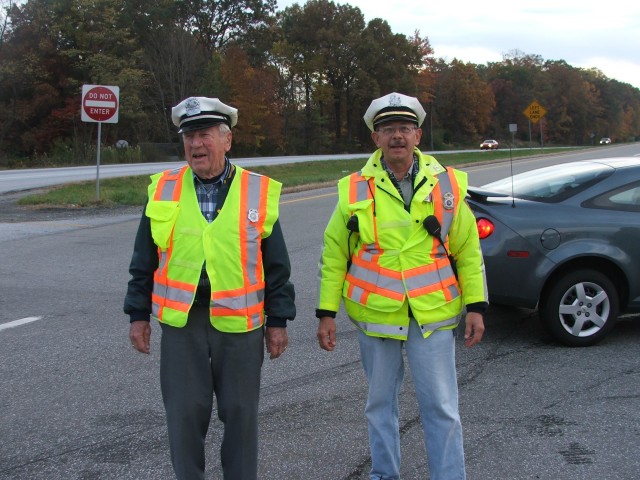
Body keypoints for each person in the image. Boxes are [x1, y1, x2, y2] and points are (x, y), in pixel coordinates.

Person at [316, 92, 487, 480]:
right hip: (376, 314)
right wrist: (325, 313)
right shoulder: (354, 188)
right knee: (379, 405)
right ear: (375, 138)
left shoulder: (448, 186)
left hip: (432, 314)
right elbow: (334, 254)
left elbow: (467, 248)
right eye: (388, 129)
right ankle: (383, 475)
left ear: (418, 134)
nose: (397, 136)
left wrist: (476, 305)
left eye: (404, 128)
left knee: (441, 406)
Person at [124, 96, 296, 480]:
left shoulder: (256, 192)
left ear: (227, 140)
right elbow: (143, 258)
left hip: (241, 325)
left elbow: (277, 265)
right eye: (189, 137)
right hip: (182, 324)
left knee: (241, 416)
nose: (195, 145)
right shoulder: (163, 189)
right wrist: (137, 314)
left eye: (203, 135)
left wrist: (278, 319)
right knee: (183, 416)